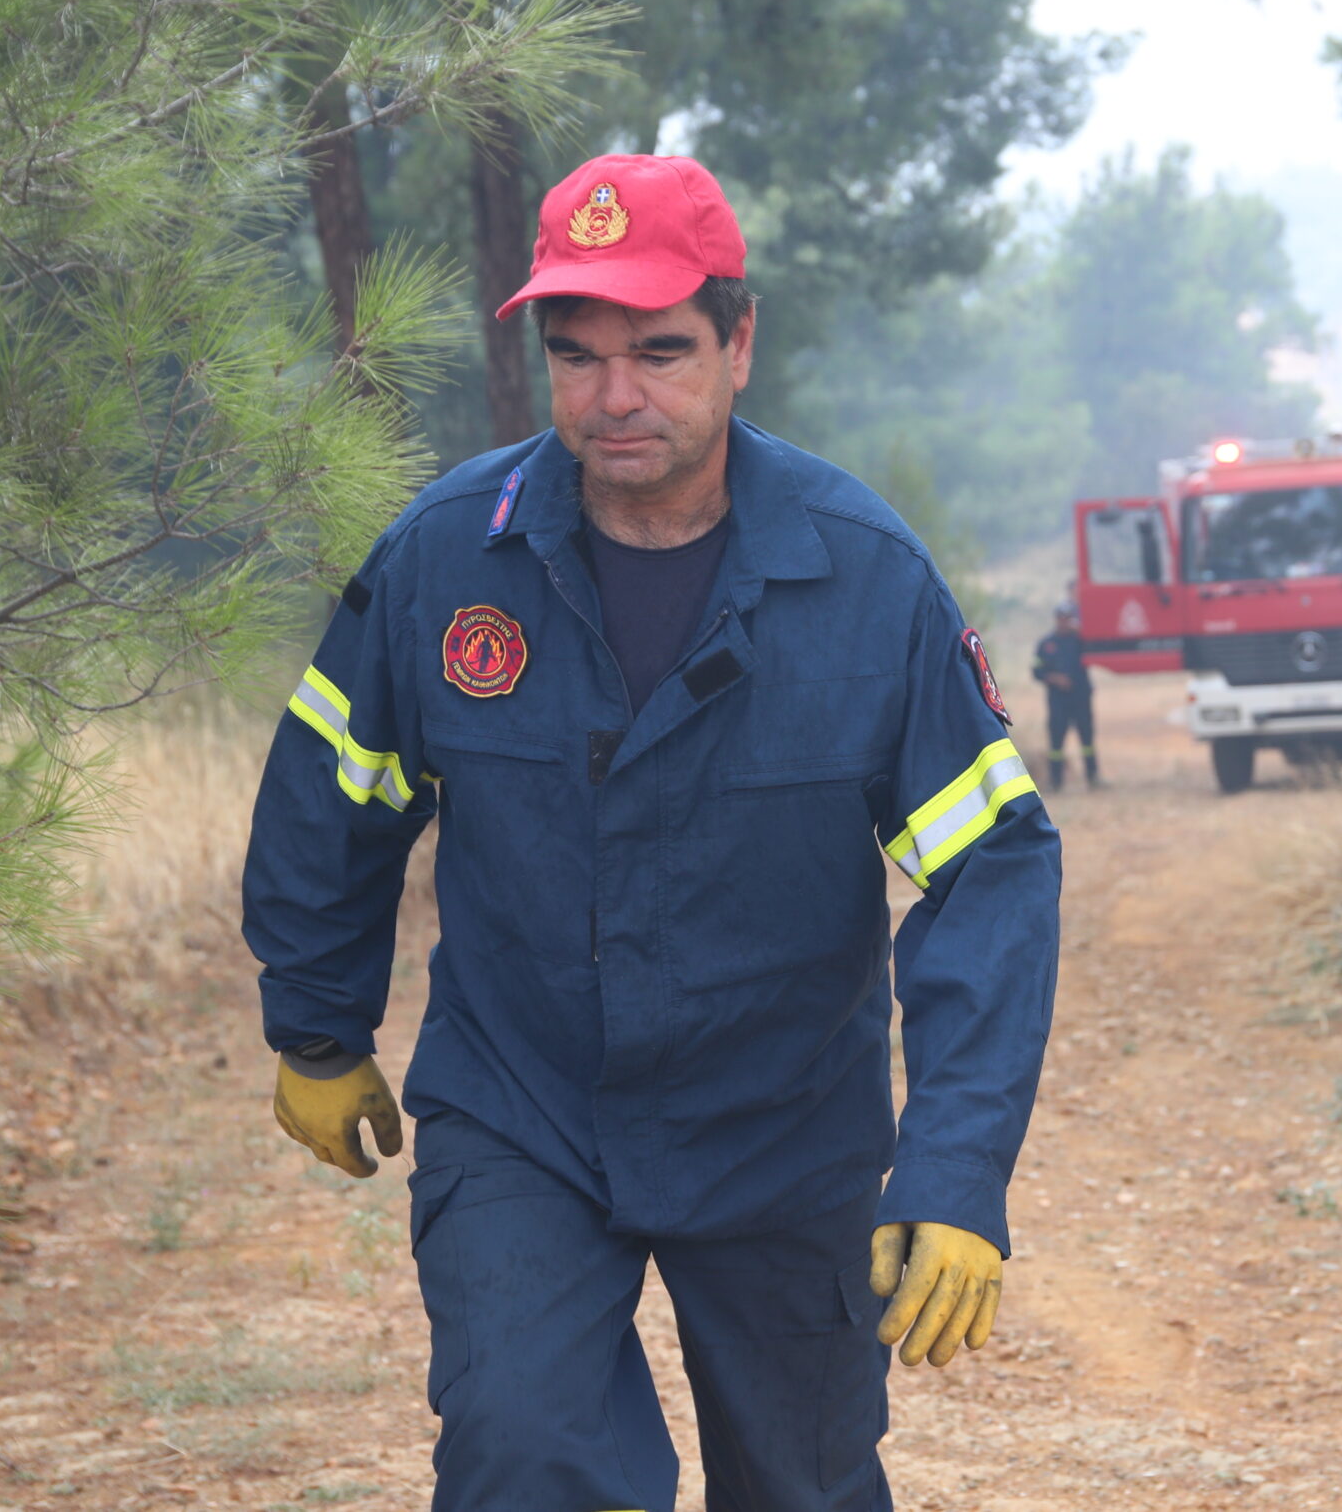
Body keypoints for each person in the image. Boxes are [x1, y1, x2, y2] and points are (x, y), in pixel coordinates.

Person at [239, 153, 1061, 1512]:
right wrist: (316, 1025)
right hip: (525, 1109)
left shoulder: (864, 580)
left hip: (785, 1131)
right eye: (579, 356)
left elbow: (993, 863)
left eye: (662, 352)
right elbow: (343, 781)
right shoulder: (449, 557)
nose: (616, 398)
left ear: (742, 343)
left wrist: (958, 1162)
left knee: (801, 1486)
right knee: (522, 1455)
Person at [1031, 600, 1099, 790]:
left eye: (1069, 618)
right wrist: (1054, 678)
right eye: (1062, 618)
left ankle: (1093, 778)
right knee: (1056, 743)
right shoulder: (1046, 644)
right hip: (1058, 700)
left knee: (1087, 739)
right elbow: (1036, 671)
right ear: (1056, 620)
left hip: (1081, 698)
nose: (1065, 622)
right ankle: (1056, 782)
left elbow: (1098, 650)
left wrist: (1082, 632)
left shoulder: (1081, 641)